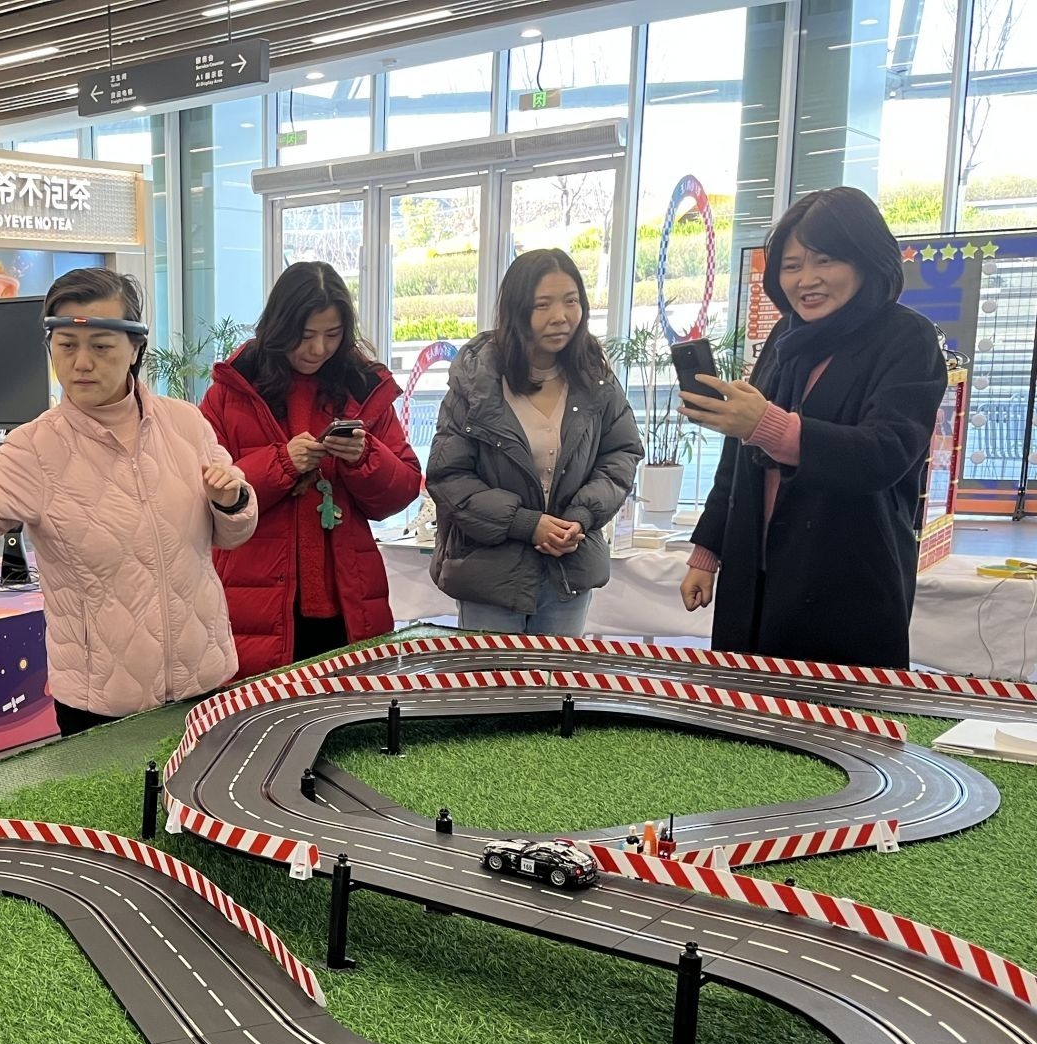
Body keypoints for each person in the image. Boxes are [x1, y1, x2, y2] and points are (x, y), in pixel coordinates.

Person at [0, 269, 256, 736]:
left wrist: (232, 501)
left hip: (205, 681)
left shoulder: (186, 424)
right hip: (100, 703)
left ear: (135, 348)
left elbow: (232, 533)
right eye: (66, 346)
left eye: (101, 347)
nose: (81, 363)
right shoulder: (35, 448)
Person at [679, 187, 946, 668]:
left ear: (865, 259)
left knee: (835, 714)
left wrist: (769, 426)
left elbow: (886, 451)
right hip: (756, 578)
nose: (807, 279)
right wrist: (707, 551)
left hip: (845, 584)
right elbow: (740, 456)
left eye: (825, 260)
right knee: (744, 708)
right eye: (792, 265)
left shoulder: (907, 337)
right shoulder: (787, 335)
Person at [200, 261, 423, 677]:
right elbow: (205, 496)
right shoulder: (230, 392)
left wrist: (364, 456)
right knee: (261, 712)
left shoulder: (362, 388)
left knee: (351, 710)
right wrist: (282, 463)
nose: (318, 349)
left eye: (332, 335)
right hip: (255, 600)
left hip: (348, 601)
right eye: (304, 336)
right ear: (279, 327)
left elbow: (403, 489)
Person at [426, 248, 642, 634]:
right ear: (516, 310)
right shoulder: (477, 381)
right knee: (494, 675)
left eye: (571, 301)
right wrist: (526, 524)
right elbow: (448, 476)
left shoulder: (595, 378)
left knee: (557, 674)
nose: (560, 316)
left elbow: (621, 454)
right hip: (490, 575)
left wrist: (580, 516)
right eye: (543, 305)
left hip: (568, 570)